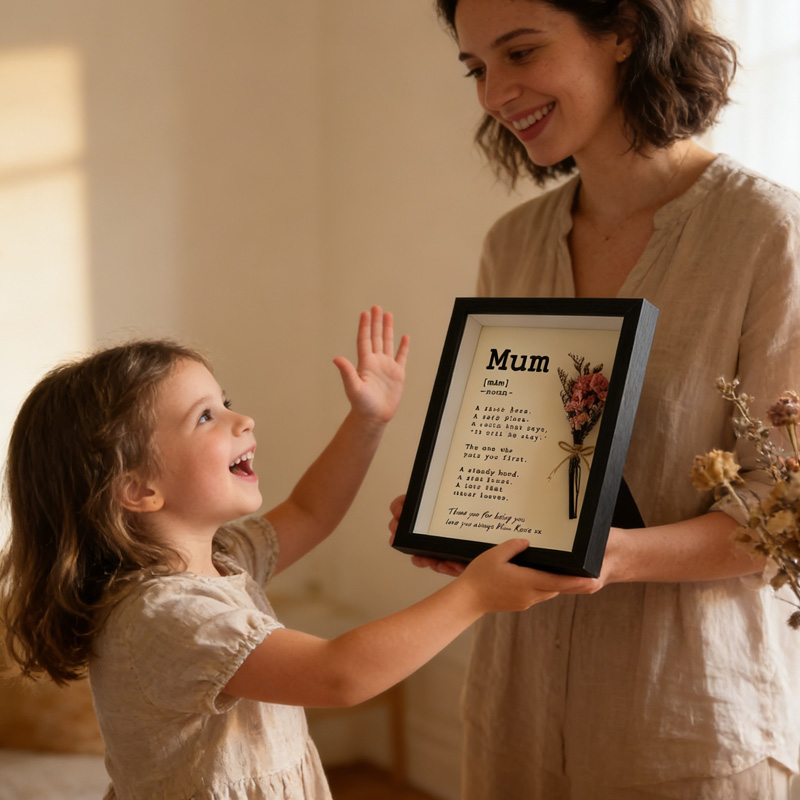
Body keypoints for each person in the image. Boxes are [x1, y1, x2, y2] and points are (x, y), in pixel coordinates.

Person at [390, 1, 800, 798]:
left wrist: (612, 556)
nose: (494, 94)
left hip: (682, 717)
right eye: (478, 68)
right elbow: (525, 455)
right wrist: (463, 511)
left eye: (521, 53)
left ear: (624, 32)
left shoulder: (767, 236)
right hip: (514, 711)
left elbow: (788, 510)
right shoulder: (511, 244)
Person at [0, 307, 559, 800]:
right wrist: (473, 595)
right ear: (138, 489)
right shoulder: (165, 617)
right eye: (205, 417)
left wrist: (368, 420)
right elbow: (338, 676)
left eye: (226, 403)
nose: (242, 420)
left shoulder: (223, 559)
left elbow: (312, 511)